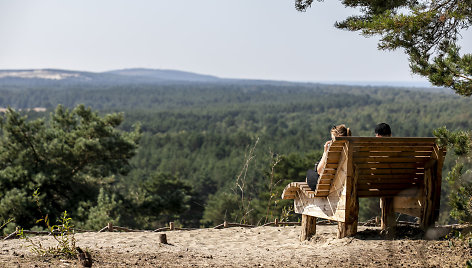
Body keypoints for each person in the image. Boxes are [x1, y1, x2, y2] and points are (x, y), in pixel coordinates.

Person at [307, 124, 352, 190]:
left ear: (338, 137)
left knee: (310, 173)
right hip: (347, 182)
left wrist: (325, 152)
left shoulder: (334, 152)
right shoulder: (351, 149)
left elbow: (319, 171)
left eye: (332, 139)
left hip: (330, 185)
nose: (331, 142)